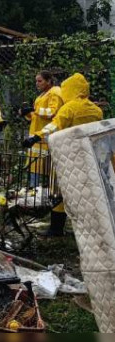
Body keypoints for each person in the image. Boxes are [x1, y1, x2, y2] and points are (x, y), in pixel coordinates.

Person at [22, 73, 103, 237]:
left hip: (67, 154)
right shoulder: (96, 110)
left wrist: (36, 136)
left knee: (59, 191)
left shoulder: (69, 108)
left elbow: (54, 125)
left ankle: (56, 228)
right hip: (87, 155)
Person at [20, 71, 64, 188]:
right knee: (35, 167)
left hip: (45, 137)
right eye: (36, 81)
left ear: (49, 81)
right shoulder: (42, 95)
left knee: (43, 168)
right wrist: (27, 113)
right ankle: (34, 192)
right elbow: (35, 117)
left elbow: (52, 112)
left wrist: (34, 110)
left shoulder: (55, 92)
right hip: (36, 137)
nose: (37, 84)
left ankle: (39, 194)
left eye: (40, 81)